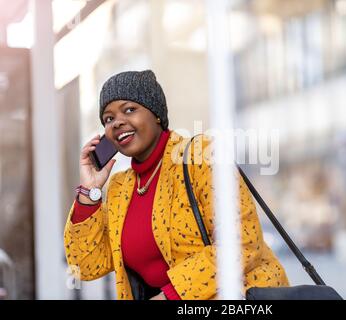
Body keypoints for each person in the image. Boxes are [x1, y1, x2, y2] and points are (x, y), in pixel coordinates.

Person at [64, 70, 289, 300]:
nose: (117, 122)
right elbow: (86, 264)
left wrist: (170, 296)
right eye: (108, 119)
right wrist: (89, 192)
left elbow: (242, 242)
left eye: (129, 109)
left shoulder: (200, 156)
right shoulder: (120, 188)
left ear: (157, 114)